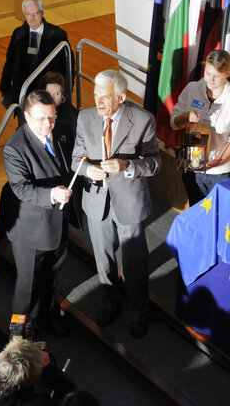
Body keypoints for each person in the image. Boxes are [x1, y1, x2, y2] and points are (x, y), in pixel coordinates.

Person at [71, 70, 160, 338]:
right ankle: (111, 300)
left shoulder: (143, 119)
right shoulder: (85, 118)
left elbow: (155, 163)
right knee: (103, 259)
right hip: (97, 202)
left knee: (134, 262)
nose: (98, 102)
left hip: (129, 202)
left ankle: (139, 310)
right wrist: (88, 170)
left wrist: (127, 165)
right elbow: (76, 159)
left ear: (121, 98)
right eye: (96, 95)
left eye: (105, 97)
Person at [3, 90, 74, 335]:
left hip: (58, 220)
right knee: (27, 283)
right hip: (31, 229)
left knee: (53, 274)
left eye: (52, 117)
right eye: (41, 118)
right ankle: (18, 330)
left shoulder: (62, 131)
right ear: (26, 116)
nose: (48, 124)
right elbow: (21, 188)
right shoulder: (15, 147)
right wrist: (52, 194)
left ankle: (44, 316)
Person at [170, 50, 230, 205]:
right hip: (192, 162)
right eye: (208, 73)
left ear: (228, 74)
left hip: (220, 172)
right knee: (195, 209)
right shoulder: (192, 88)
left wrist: (217, 161)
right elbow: (174, 123)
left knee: (218, 215)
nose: (211, 79)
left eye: (217, 75)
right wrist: (186, 117)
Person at [0, 0, 73, 108]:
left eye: (36, 14)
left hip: (48, 92)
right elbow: (10, 62)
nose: (32, 18)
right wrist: (4, 88)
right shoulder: (18, 33)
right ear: (24, 14)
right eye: (28, 14)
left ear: (42, 13)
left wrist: (67, 89)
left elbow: (68, 64)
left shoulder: (58, 35)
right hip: (25, 92)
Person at [0, 339, 75, 406]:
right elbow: (71, 396)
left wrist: (13, 355)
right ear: (32, 379)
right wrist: (49, 367)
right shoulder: (38, 403)